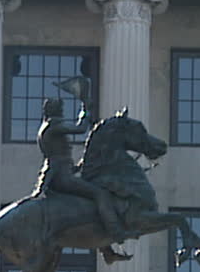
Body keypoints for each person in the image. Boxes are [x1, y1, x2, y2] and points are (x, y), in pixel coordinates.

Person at [33, 97, 135, 245]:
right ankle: (116, 231)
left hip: (61, 173)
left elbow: (59, 158)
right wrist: (84, 113)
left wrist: (78, 166)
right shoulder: (52, 126)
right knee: (101, 193)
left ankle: (105, 245)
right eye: (60, 110)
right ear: (54, 111)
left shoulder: (47, 127)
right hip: (61, 178)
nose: (62, 113)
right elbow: (80, 129)